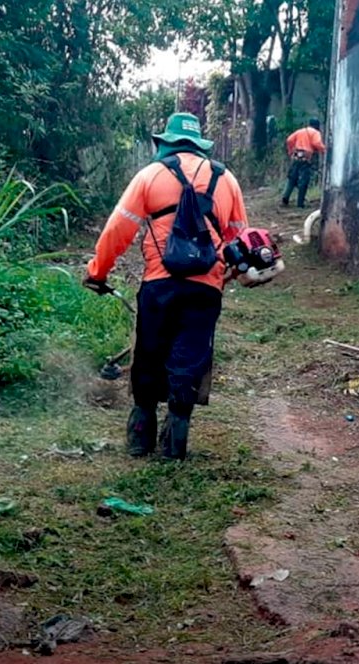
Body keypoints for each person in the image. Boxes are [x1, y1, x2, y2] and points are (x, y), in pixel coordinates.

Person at [82, 112, 248, 460]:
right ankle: (176, 441)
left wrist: (98, 272)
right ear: (199, 145)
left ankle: (140, 436)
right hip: (205, 288)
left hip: (159, 284)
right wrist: (226, 271)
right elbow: (240, 238)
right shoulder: (226, 178)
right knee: (189, 356)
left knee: (149, 353)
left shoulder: (151, 175)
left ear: (166, 143)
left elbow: (118, 230)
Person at [281, 117, 326, 208]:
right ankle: (300, 203)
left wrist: (290, 151)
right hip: (306, 158)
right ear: (317, 126)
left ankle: (285, 198)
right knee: (304, 181)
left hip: (296, 156)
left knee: (292, 178)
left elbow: (289, 140)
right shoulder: (315, 133)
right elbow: (317, 143)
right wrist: (324, 150)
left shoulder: (300, 131)